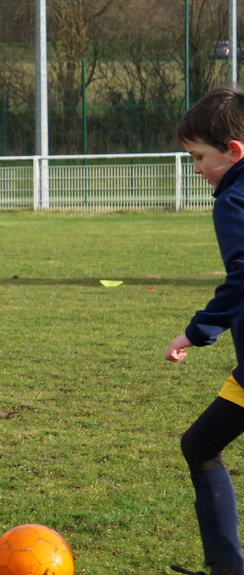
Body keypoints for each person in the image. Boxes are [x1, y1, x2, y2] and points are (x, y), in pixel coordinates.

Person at [166, 87, 244, 575]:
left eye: (199, 157)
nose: (196, 169)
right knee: (199, 445)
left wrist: (195, 333)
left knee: (200, 446)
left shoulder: (233, 200)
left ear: (233, 151)